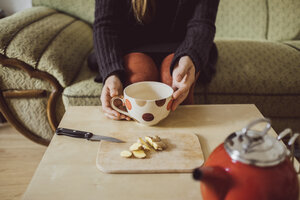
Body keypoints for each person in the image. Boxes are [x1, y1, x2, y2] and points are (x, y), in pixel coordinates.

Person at [88, 0, 219, 120]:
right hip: (129, 46)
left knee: (175, 84)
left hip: (183, 44)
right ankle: (139, 143)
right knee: (137, 84)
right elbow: (105, 25)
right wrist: (111, 73)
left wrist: (190, 56)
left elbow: (203, 22)